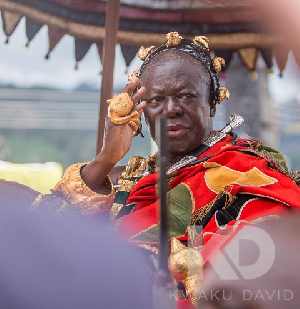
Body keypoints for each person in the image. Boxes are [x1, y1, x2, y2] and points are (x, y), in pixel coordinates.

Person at [32, 32, 300, 307]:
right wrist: (106, 158)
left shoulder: (249, 176)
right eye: (157, 100)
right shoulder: (121, 177)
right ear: (141, 111)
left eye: (185, 96)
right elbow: (40, 239)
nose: (171, 109)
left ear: (212, 102)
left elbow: (237, 286)